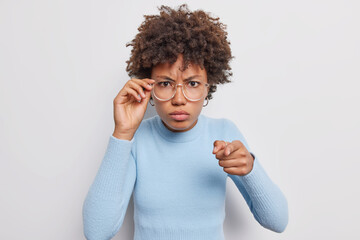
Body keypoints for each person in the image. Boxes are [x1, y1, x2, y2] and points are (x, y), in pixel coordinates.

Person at [82, 4, 288, 240]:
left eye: (192, 83)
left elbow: (278, 221)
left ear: (208, 86)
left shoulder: (224, 132)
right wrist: (122, 133)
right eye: (165, 83)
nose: (178, 100)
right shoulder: (137, 138)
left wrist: (251, 168)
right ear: (148, 86)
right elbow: (96, 233)